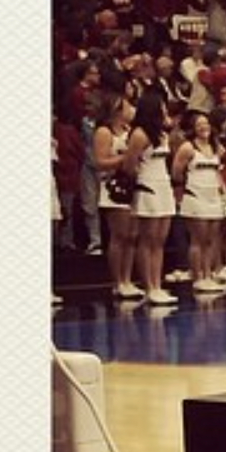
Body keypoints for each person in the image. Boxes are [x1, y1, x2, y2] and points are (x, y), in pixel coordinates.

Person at [127, 91, 178, 307]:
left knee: (160, 240)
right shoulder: (139, 134)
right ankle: (149, 286)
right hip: (147, 184)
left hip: (163, 184)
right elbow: (129, 164)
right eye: (161, 106)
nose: (165, 110)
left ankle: (157, 284)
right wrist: (139, 180)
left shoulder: (162, 134)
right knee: (147, 239)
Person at [173, 110, 226, 294]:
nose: (203, 127)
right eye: (199, 124)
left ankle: (209, 274)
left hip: (212, 196)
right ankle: (198, 277)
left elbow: (218, 173)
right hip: (195, 196)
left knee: (211, 239)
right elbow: (176, 171)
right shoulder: (188, 148)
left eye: (205, 123)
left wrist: (224, 192)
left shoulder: (216, 147)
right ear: (193, 128)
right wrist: (183, 192)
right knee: (198, 239)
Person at [92, 93, 143, 300]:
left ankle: (128, 279)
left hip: (133, 186)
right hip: (114, 187)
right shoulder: (104, 132)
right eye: (126, 106)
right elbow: (100, 161)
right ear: (116, 110)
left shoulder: (131, 131)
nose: (131, 108)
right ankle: (117, 281)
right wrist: (126, 157)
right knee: (119, 235)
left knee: (132, 235)